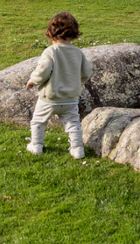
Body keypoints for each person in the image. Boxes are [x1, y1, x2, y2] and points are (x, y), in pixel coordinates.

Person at [25, 12, 93, 159]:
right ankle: (77, 149)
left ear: (50, 33)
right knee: (73, 123)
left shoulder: (51, 52)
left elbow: (42, 71)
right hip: (71, 98)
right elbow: (87, 71)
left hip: (50, 98)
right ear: (75, 34)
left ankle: (36, 145)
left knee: (38, 121)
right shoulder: (78, 53)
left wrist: (32, 81)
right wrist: (76, 82)